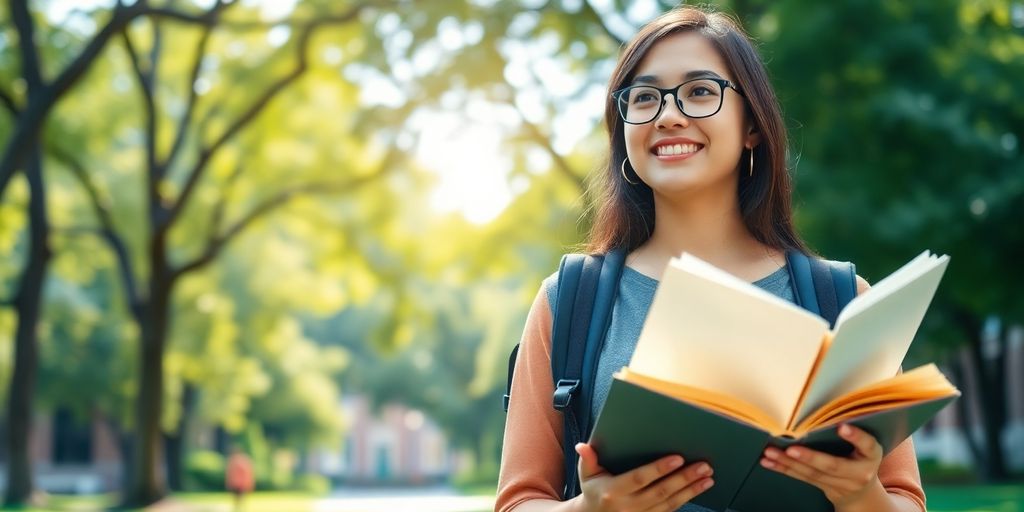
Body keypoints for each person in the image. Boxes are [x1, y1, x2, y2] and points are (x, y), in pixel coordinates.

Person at [496, 6, 926, 512]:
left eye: (700, 91)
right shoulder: (568, 302)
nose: (668, 115)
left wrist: (860, 493)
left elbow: (907, 502)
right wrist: (592, 509)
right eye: (645, 97)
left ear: (753, 127)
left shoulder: (844, 301)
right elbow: (518, 501)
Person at [225, 445, 255, 512]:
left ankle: (239, 508)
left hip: (239, 483)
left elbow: (246, 473)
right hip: (237, 483)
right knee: (238, 497)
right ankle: (239, 508)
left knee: (239, 497)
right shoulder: (234, 460)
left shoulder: (238, 461)